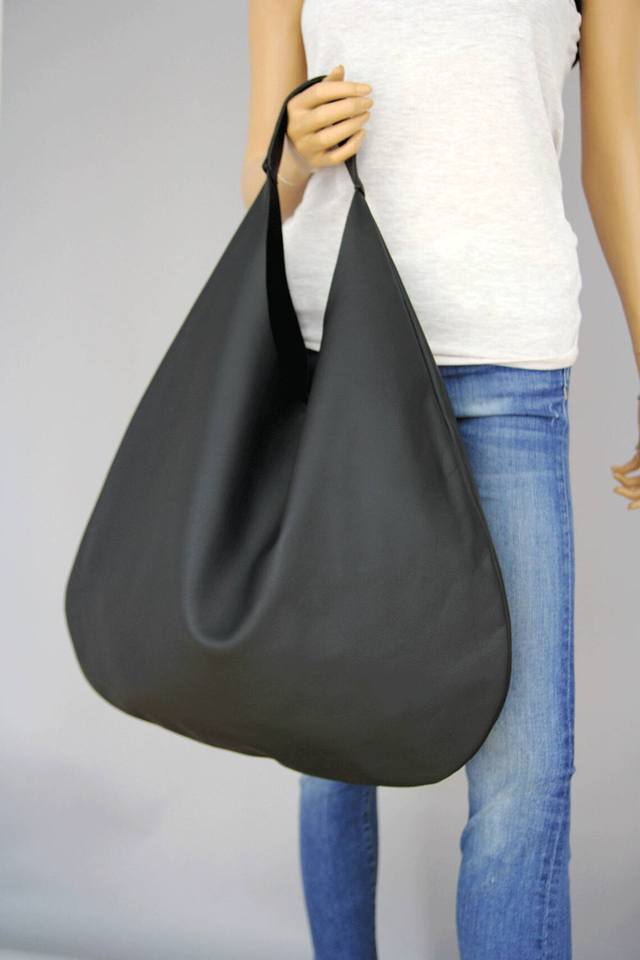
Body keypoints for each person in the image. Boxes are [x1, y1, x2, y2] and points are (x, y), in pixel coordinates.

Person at [241, 1, 640, 957]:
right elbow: (260, 175)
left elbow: (616, 148)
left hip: (511, 365)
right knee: (332, 744)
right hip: (338, 361)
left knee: (526, 773)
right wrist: (290, 158)